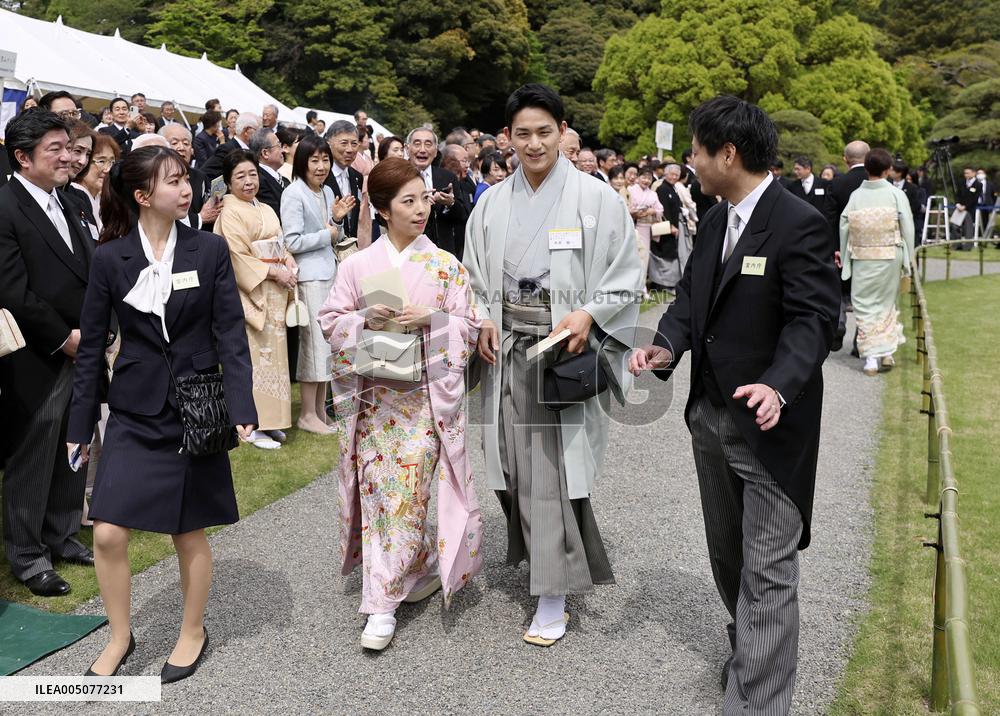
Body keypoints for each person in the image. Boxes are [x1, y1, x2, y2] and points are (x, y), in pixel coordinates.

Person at [629, 95, 840, 715]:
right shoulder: (717, 221)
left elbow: (814, 320)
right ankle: (749, 643)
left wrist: (778, 384)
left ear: (728, 153)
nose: (689, 160)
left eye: (696, 150)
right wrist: (665, 346)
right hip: (711, 421)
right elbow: (692, 303)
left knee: (768, 574)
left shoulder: (799, 222)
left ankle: (756, 701)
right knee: (728, 555)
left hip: (772, 426)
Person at [66, 145, 255, 681]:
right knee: (107, 532)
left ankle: (192, 630)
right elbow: (93, 346)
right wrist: (80, 426)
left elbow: (228, 332)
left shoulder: (209, 250)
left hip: (196, 406)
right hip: (134, 407)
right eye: (173, 181)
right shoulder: (109, 258)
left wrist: (241, 403)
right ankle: (120, 637)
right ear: (144, 195)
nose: (187, 188)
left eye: (185, 179)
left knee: (188, 530)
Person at [464, 83, 642, 647]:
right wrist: (482, 317)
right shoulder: (491, 203)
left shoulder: (596, 199)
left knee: (548, 470)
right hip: (508, 347)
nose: (535, 143)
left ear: (563, 131)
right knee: (512, 464)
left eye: (545, 131)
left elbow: (624, 273)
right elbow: (470, 277)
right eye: (523, 133)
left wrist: (590, 313)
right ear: (507, 138)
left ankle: (552, 593)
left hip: (562, 351)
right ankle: (542, 562)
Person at [317, 157, 482, 650]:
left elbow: (468, 328)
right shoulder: (358, 265)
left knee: (406, 496)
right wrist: (364, 316)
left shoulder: (445, 266)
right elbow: (330, 321)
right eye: (407, 202)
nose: (419, 210)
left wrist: (434, 318)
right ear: (382, 210)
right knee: (381, 498)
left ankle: (381, 606)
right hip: (374, 404)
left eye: (423, 198)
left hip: (424, 405)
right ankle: (418, 566)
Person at [0, 110, 97, 598]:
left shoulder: (73, 201)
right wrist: (65, 338)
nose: (68, 157)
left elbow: (90, 267)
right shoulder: (6, 206)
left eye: (70, 146)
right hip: (37, 354)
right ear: (23, 157)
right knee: (33, 454)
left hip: (83, 345)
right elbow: (13, 290)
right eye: (55, 149)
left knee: (73, 445)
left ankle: (63, 533)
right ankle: (27, 553)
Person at [215, 150, 295, 447]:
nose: (249, 182)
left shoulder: (266, 208)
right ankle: (252, 424)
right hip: (252, 292)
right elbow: (237, 256)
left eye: (252, 175)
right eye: (240, 176)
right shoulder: (229, 211)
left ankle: (272, 420)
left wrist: (288, 263)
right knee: (255, 358)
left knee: (276, 360)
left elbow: (281, 243)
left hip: (274, 291)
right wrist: (276, 272)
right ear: (228, 181)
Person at [280, 134, 353, 434]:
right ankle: (307, 413)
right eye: (315, 160)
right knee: (313, 347)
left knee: (328, 347)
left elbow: (329, 231)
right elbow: (292, 241)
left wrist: (335, 221)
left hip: (329, 273)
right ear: (302, 163)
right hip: (309, 278)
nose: (321, 166)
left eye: (325, 160)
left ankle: (320, 411)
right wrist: (329, 234)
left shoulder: (323, 192)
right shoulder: (293, 193)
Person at [839, 148, 914, 376]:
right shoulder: (895, 194)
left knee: (864, 306)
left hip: (863, 257)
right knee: (885, 304)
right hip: (890, 254)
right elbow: (907, 227)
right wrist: (908, 259)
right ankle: (886, 352)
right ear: (887, 169)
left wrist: (846, 258)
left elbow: (844, 226)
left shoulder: (856, 196)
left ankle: (872, 358)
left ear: (867, 168)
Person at [827, 140, 870, 352]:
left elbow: (830, 220)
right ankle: (860, 340)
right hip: (871, 250)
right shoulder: (876, 183)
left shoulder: (837, 183)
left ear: (845, 159)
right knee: (865, 294)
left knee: (839, 291)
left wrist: (835, 247)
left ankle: (839, 324)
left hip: (842, 248)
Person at [406, 126, 468, 256]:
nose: (422, 149)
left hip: (442, 253)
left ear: (435, 151)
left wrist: (450, 203)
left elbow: (463, 216)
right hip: (408, 250)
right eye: (417, 144)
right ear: (407, 148)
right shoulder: (398, 177)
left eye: (428, 144)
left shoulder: (447, 177)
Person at [159, 124, 219, 230]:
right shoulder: (156, 177)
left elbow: (209, 210)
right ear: (161, 146)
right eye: (174, 143)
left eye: (186, 143)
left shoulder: (200, 177)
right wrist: (200, 218)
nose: (181, 148)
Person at [323, 121, 364, 240]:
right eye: (344, 143)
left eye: (354, 143)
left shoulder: (357, 177)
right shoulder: (321, 176)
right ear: (328, 143)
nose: (350, 149)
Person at [72, 132, 120, 234]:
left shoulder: (102, 197)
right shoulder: (73, 196)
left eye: (112, 162)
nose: (108, 169)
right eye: (101, 161)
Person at [628, 166, 663, 293]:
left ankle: (642, 287)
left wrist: (651, 210)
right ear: (638, 178)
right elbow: (627, 206)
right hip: (632, 224)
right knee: (631, 256)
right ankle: (630, 286)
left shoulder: (653, 194)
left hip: (645, 227)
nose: (646, 180)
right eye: (643, 177)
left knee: (644, 257)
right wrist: (635, 212)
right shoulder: (630, 190)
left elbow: (660, 209)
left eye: (649, 178)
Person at [651, 164, 684, 291]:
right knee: (664, 255)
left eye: (676, 175)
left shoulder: (672, 188)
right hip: (666, 227)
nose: (674, 177)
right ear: (665, 174)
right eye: (672, 174)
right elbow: (663, 209)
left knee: (671, 254)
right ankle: (662, 284)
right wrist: (670, 226)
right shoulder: (662, 188)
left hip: (674, 225)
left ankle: (668, 283)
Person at [200, 113, 261, 181]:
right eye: (258, 130)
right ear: (247, 131)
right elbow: (207, 173)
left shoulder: (250, 150)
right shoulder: (227, 149)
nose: (259, 134)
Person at [249, 128, 289, 218]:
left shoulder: (283, 179)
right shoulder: (259, 180)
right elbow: (276, 215)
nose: (283, 150)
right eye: (278, 145)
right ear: (265, 153)